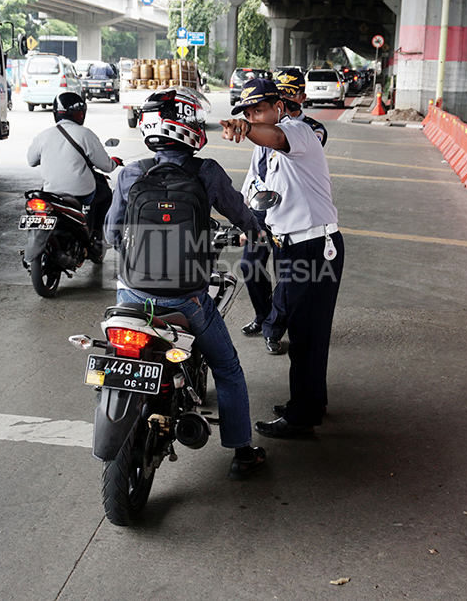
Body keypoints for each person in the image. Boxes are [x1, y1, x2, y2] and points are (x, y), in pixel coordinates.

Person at [104, 87, 268, 479]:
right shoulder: (206, 172)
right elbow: (242, 215)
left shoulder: (131, 173)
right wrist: (256, 231)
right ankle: (242, 453)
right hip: (187, 301)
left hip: (131, 295)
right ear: (186, 126)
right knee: (228, 370)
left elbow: (111, 234)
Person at [221, 78, 344, 440]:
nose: (253, 118)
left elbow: (272, 136)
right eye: (246, 113)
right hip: (291, 247)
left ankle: (301, 417)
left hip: (314, 247)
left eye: (258, 110)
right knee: (305, 331)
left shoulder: (298, 132)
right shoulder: (273, 154)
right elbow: (267, 196)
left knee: (306, 335)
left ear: (279, 106)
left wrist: (246, 128)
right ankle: (309, 401)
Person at [238, 69, 328, 356]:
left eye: (291, 92)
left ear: (301, 97)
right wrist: (244, 214)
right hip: (260, 208)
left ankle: (274, 329)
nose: (286, 97)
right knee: (249, 266)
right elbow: (254, 174)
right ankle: (264, 316)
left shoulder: (306, 130)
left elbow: (281, 143)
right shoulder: (261, 131)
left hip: (288, 215)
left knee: (285, 276)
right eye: (281, 91)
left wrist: (252, 128)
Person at [27, 92, 120, 256]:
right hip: (81, 193)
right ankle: (97, 238)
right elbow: (105, 166)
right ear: (80, 113)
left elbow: (31, 161)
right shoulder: (85, 134)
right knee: (105, 194)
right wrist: (115, 163)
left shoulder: (44, 134)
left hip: (52, 193)